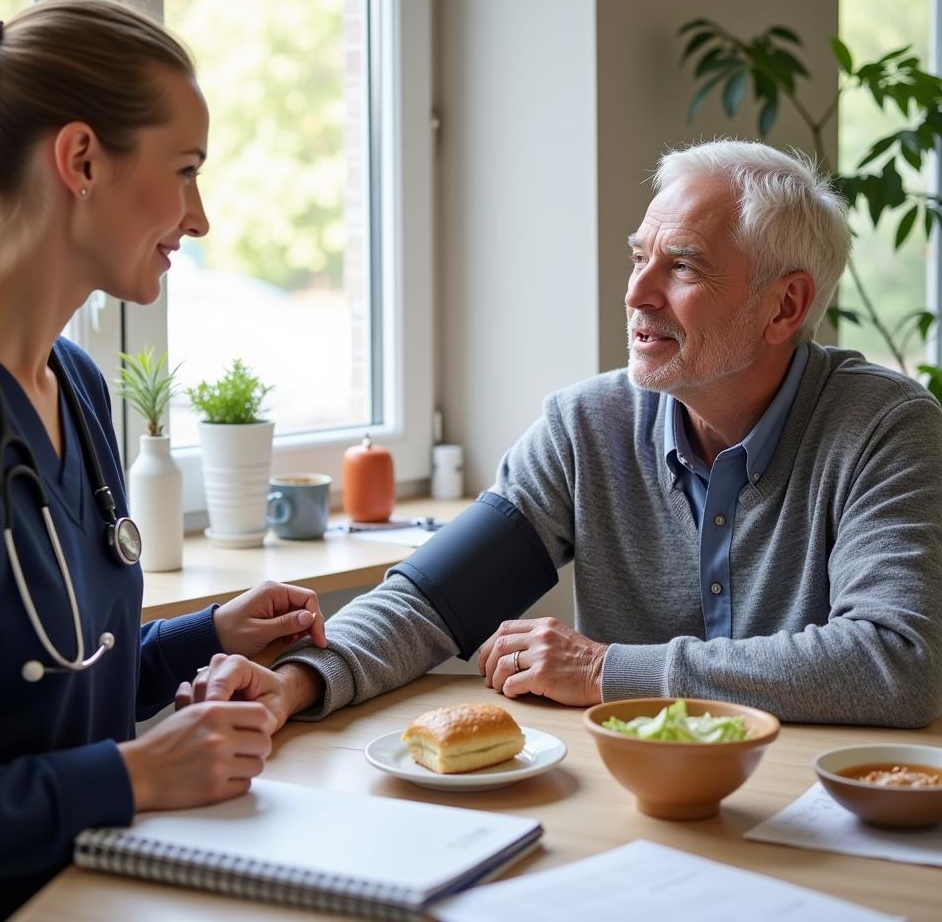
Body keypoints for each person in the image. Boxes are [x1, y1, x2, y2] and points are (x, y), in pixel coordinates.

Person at [228, 139, 942, 733]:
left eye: (683, 264)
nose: (637, 293)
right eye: (639, 258)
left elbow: (896, 661)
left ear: (785, 306)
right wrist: (292, 683)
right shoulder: (585, 427)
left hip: (816, 815)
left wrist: (607, 671)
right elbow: (432, 602)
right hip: (631, 799)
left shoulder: (886, 429)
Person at [0, 0, 329, 920]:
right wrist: (128, 779)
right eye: (184, 170)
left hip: (101, 891)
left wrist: (208, 635)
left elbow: (46, 685)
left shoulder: (77, 385)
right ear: (82, 159)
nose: (200, 216)